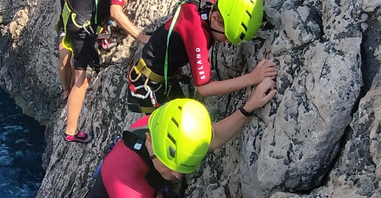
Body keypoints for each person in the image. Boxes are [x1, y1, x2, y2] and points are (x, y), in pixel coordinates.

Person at [127, 0, 316, 113]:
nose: (227, 42)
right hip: (147, 83)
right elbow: (204, 87)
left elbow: (249, 1)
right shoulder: (197, 32)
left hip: (160, 67)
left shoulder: (215, 1)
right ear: (216, 18)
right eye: (227, 36)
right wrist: (252, 77)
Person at [86, 78, 278, 197]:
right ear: (150, 143)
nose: (178, 175)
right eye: (171, 165)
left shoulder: (164, 126)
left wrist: (250, 106)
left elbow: (214, 136)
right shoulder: (125, 185)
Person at [62, 0, 167, 143]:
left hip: (74, 16)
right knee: (81, 81)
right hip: (81, 27)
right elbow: (116, 12)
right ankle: (71, 131)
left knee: (79, 70)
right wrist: (140, 36)